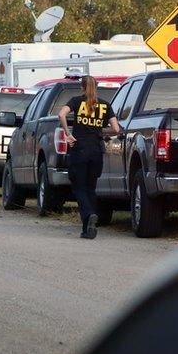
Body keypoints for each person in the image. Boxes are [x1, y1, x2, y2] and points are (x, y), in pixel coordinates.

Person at [58, 76, 120, 239]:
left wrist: (68, 133)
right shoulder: (105, 105)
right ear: (96, 87)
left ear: (82, 87)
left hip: (80, 149)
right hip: (96, 151)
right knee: (91, 188)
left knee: (79, 187)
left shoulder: (76, 101)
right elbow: (115, 129)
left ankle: (90, 214)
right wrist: (99, 131)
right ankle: (88, 229)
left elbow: (61, 114)